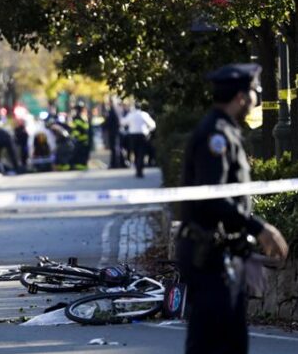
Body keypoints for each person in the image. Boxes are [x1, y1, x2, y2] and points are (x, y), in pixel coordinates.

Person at [175, 63, 288, 354]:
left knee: (231, 342)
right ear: (241, 96)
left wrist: (243, 249)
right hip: (208, 257)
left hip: (221, 254)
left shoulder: (225, 131)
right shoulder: (216, 136)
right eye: (254, 92)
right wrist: (260, 228)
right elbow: (214, 197)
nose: (256, 99)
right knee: (211, 343)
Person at [122, 102, 156, 178]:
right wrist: (148, 130)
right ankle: (140, 170)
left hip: (133, 136)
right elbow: (153, 125)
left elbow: (123, 122)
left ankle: (138, 170)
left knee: (136, 153)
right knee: (142, 153)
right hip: (142, 135)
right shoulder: (144, 114)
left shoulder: (131, 115)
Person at [104, 98, 124, 169]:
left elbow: (110, 122)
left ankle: (115, 164)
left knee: (114, 148)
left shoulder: (112, 111)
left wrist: (104, 126)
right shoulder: (115, 110)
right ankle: (116, 163)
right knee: (115, 148)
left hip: (113, 133)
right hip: (114, 132)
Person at [69, 102, 90, 170]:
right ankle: (81, 165)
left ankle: (80, 165)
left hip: (80, 140)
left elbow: (75, 129)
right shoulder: (80, 118)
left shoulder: (77, 118)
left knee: (80, 153)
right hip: (82, 139)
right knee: (81, 153)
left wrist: (74, 136)